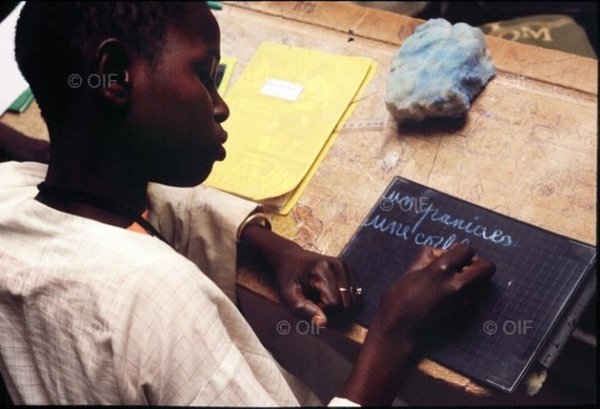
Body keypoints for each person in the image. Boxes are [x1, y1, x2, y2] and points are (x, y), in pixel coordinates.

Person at [0, 2, 495, 406]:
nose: (220, 105)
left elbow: (138, 205)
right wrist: (395, 335)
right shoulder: (157, 300)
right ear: (114, 76)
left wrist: (265, 244)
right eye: (205, 74)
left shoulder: (11, 194)